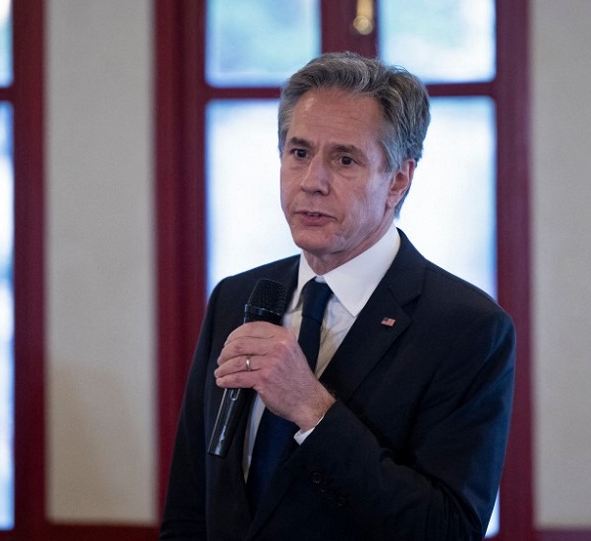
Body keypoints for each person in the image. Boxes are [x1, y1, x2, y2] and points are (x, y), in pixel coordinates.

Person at [160, 52, 515, 540]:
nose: (312, 182)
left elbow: (448, 528)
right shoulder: (236, 297)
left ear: (398, 180)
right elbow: (191, 504)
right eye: (299, 153)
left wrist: (313, 410)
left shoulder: (468, 328)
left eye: (344, 159)